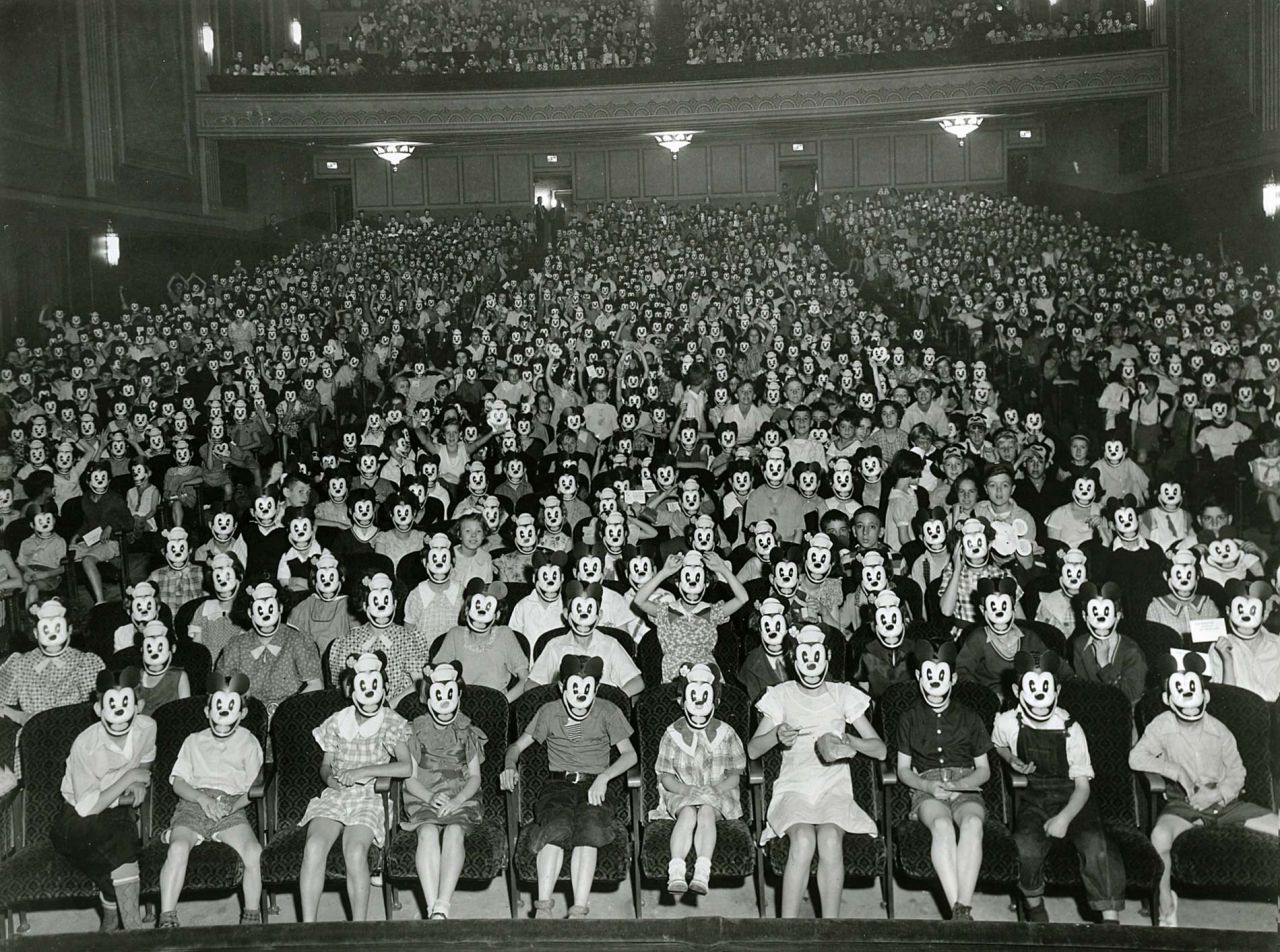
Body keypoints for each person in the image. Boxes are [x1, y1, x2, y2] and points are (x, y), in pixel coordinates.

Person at [1129, 654, 1279, 927]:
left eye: (1194, 693)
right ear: (1168, 700)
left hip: (1226, 801)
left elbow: (1238, 773)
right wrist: (1175, 771)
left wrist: (1218, 793)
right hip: (1184, 803)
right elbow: (1136, 758)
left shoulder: (1221, 732)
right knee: (1160, 836)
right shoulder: (1161, 726)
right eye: (1180, 694)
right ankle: (1166, 906)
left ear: (1206, 698)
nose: (1188, 701)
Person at [747, 624, 886, 919]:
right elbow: (753, 750)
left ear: (828, 657)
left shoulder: (843, 694)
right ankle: (789, 930)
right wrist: (776, 736)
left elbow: (880, 749)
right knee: (804, 840)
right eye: (804, 656)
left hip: (833, 786)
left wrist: (850, 741)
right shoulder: (781, 695)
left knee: (830, 840)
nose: (811, 663)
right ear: (793, 660)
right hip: (794, 787)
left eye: (817, 655)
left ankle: (831, 928)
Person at [501, 654, 637, 919]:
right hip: (558, 785)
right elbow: (516, 747)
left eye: (588, 688)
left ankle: (578, 912)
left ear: (596, 689)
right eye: (574, 687)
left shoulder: (608, 710)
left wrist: (604, 777)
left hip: (596, 783)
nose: (580, 694)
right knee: (556, 828)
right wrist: (509, 764)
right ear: (562, 687)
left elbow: (630, 754)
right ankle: (543, 909)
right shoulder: (549, 711)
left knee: (589, 830)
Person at [992, 651, 1124, 922]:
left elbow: (1083, 787)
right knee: (1024, 847)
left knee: (1097, 846)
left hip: (1074, 797)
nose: (1040, 698)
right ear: (1018, 691)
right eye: (1031, 687)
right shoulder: (1008, 722)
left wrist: (1064, 819)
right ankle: (1035, 907)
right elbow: (997, 743)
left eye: (1046, 688)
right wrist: (1011, 759)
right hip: (1035, 798)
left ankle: (1111, 922)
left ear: (1057, 690)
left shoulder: (1070, 728)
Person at [298, 651, 413, 922]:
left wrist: (363, 771)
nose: (370, 693)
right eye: (362, 686)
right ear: (351, 690)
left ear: (384, 689)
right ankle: (307, 929)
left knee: (355, 850)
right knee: (314, 845)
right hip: (338, 794)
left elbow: (406, 767)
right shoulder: (338, 721)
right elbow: (325, 765)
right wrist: (330, 780)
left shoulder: (390, 721)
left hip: (370, 796)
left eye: (376, 686)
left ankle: (358, 928)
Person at [51, 667, 156, 931]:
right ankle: (134, 934)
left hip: (117, 810)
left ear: (139, 706)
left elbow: (147, 757)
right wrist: (129, 777)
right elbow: (87, 807)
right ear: (98, 710)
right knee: (123, 844)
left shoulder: (147, 727)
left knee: (122, 838)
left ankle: (111, 914)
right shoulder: (84, 745)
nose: (119, 713)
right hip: (75, 818)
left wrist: (141, 778)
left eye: (126, 704)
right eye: (111, 705)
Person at [157, 672, 264, 927]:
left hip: (231, 806)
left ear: (242, 714)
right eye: (218, 706)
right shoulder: (193, 741)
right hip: (194, 803)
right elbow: (179, 782)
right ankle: (167, 917)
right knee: (178, 848)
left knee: (253, 852)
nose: (224, 714)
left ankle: (250, 917)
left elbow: (255, 787)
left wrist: (231, 807)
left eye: (231, 707)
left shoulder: (249, 743)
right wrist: (202, 800)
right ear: (207, 711)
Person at [895, 640, 991, 922]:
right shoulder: (909, 718)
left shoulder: (970, 717)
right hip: (926, 784)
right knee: (941, 825)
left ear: (953, 679)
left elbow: (983, 770)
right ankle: (960, 912)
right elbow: (903, 770)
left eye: (942, 676)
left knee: (973, 824)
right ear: (919, 677)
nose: (935, 682)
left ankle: (962, 907)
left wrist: (957, 787)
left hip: (965, 783)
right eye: (929, 675)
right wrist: (927, 787)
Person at [402, 662, 486, 920]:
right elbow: (409, 779)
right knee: (427, 833)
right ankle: (432, 911)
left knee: (453, 831)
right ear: (428, 699)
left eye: (451, 694)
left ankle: (443, 904)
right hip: (424, 795)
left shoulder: (466, 730)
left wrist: (459, 799)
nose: (445, 701)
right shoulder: (416, 730)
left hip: (460, 796)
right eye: (438, 695)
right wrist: (429, 797)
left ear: (459, 696)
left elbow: (475, 777)